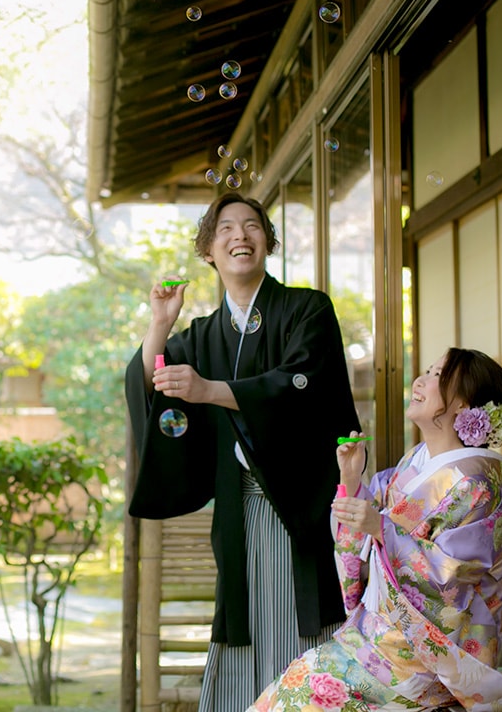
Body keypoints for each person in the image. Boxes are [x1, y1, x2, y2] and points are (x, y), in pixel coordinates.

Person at [249, 347, 502, 712]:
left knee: (302, 691)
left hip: (423, 647)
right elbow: (362, 530)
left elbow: (451, 580)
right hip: (377, 631)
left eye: (436, 375)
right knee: (297, 681)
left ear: (463, 406)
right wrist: (351, 481)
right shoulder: (414, 461)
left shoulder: (474, 485)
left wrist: (381, 528)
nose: (420, 380)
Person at [124, 192, 361, 710]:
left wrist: (209, 390)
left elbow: (301, 384)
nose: (240, 235)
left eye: (252, 226)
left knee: (301, 617)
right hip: (237, 504)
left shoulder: (307, 308)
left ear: (268, 242)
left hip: (300, 500)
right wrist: (160, 324)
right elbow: (148, 384)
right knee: (243, 620)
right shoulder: (203, 334)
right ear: (208, 250)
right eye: (226, 228)